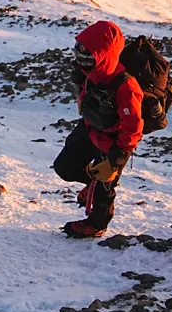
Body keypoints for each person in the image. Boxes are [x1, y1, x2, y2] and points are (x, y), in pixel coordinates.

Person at [54, 20, 143, 238]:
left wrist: (117, 158)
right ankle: (93, 183)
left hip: (113, 140)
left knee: (105, 185)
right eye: (80, 52)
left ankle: (96, 225)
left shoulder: (126, 86)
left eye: (87, 54)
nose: (81, 58)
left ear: (104, 54)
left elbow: (133, 127)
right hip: (89, 127)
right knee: (65, 167)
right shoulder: (89, 71)